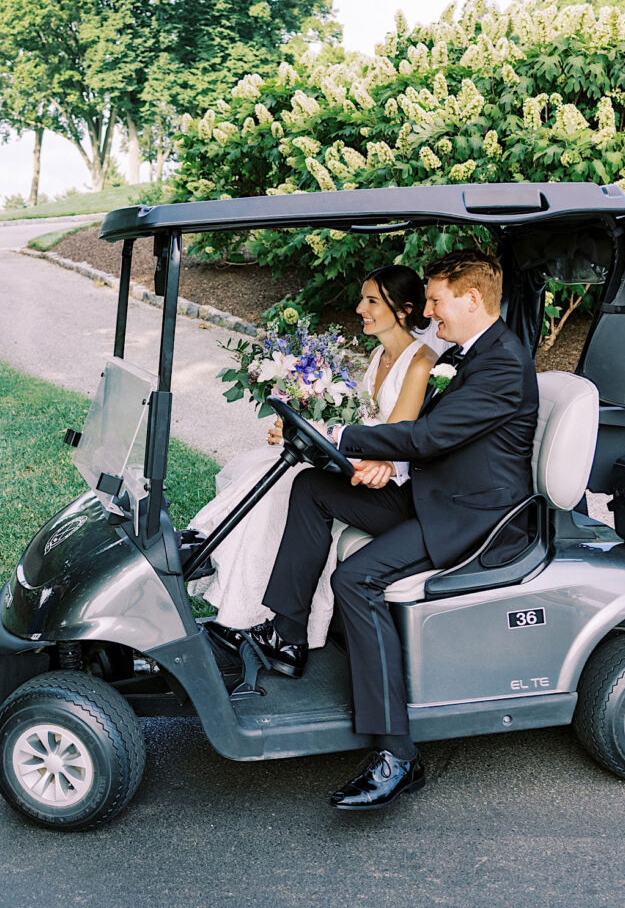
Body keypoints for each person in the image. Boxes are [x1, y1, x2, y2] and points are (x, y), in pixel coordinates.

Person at [221, 249, 537, 810]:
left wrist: (343, 437)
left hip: (474, 519)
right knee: (314, 489)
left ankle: (397, 752)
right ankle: (288, 634)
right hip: (436, 496)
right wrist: (368, 459)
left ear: (471, 298)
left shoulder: (503, 364)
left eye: (438, 301)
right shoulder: (476, 353)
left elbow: (426, 437)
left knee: (356, 579)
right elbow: (430, 440)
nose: (432, 314)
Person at [190, 266, 436, 649]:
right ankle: (232, 588)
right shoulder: (378, 355)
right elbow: (357, 420)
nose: (359, 308)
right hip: (363, 470)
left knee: (297, 482)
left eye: (371, 301)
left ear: (403, 310)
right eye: (362, 299)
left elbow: (395, 440)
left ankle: (280, 629)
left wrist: (324, 438)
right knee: (275, 470)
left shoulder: (420, 363)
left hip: (393, 488)